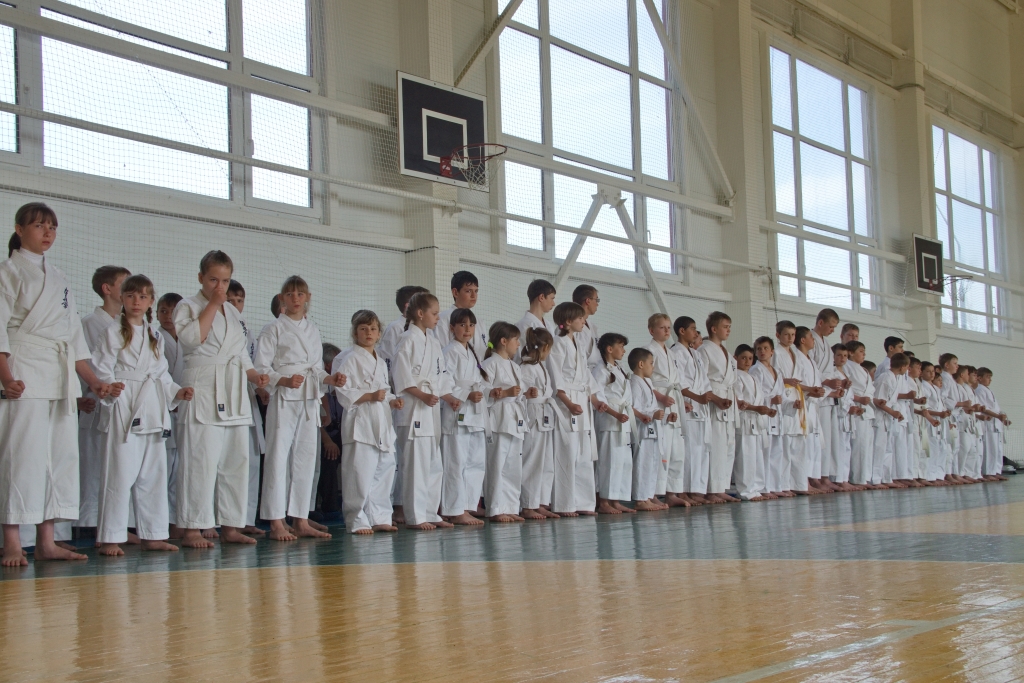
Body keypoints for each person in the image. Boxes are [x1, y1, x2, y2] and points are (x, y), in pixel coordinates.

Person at [1, 202, 121, 566]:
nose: (48, 233)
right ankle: (11, 542)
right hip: (24, 369)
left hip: (59, 374)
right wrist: (6, 378)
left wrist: (94, 382)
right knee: (20, 455)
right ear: (19, 229)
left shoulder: (59, 277)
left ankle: (47, 541)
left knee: (58, 456)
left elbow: (72, 339)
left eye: (52, 227)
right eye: (40, 226)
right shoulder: (7, 272)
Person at [172, 250, 269, 548]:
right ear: (200, 277)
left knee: (235, 462)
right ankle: (192, 528)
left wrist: (254, 377)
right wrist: (213, 305)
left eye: (225, 281)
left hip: (234, 389)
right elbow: (191, 339)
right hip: (203, 387)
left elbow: (240, 353)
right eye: (214, 280)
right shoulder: (187, 306)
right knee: (199, 462)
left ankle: (231, 525)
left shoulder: (233, 312)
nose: (220, 286)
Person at [93, 274, 193, 556]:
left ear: (150, 301)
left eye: (142, 296)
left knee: (153, 474)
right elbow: (102, 367)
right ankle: (110, 538)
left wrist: (176, 392)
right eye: (130, 296)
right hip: (124, 402)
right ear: (122, 298)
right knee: (119, 473)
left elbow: (161, 373)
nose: (136, 301)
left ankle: (153, 534)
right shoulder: (111, 332)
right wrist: (109, 386)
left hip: (151, 405)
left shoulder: (154, 335)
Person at [255, 276, 346, 541]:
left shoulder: (312, 330)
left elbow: (316, 368)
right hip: (284, 398)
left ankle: (300, 518)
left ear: (307, 298)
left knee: (305, 458)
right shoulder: (273, 329)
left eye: (300, 294)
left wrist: (331, 379)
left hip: (308, 398)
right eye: (290, 294)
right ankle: (276, 521)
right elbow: (261, 367)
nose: (295, 298)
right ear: (282, 298)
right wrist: (282, 380)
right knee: (277, 457)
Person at [392, 292, 458, 530]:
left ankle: (430, 511)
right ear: (420, 314)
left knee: (433, 462)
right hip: (413, 408)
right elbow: (401, 376)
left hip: (430, 406)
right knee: (415, 464)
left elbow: (441, 375)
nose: (438, 318)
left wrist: (448, 397)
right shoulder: (407, 339)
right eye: (434, 313)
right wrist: (422, 395)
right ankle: (415, 516)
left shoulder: (433, 341)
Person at [333, 310, 402, 534]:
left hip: (381, 421)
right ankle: (357, 519)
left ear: (379, 333)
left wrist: (392, 400)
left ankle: (380, 516)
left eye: (373, 329)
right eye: (363, 329)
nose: (369, 333)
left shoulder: (380, 362)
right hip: (360, 422)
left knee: (383, 470)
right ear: (355, 333)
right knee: (359, 472)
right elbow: (343, 392)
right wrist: (370, 396)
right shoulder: (349, 359)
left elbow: (385, 390)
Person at [77, 265, 131, 533]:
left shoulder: (129, 325)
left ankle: (116, 523)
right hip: (95, 400)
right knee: (93, 465)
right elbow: (81, 364)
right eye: (124, 284)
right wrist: (78, 398)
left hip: (124, 401)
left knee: (120, 467)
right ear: (107, 289)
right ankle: (90, 525)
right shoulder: (89, 323)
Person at [545, 302, 608, 516]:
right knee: (567, 452)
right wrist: (568, 403)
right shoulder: (557, 343)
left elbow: (586, 377)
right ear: (568, 321)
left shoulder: (578, 343)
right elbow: (555, 376)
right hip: (566, 402)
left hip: (582, 399)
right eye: (580, 318)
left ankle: (585, 503)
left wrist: (595, 400)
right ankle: (565, 504)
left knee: (584, 452)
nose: (583, 321)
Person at [378, 284, 428, 524]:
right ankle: (398, 506)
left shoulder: (426, 333)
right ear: (412, 306)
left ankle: (423, 507)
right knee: (401, 456)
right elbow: (390, 364)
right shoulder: (396, 329)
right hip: (400, 397)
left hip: (423, 400)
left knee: (423, 459)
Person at [440, 308, 489, 526]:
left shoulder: (472, 351)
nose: (467, 329)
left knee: (475, 462)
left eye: (471, 325)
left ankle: (468, 505)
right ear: (452, 328)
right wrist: (465, 394)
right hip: (457, 410)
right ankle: (454, 509)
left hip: (474, 412)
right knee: (456, 461)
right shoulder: (449, 351)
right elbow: (445, 382)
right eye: (462, 325)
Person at [226, 279, 268, 538]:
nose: (235, 305)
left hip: (247, 399)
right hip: (226, 397)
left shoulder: (247, 331)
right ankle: (220, 521)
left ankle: (246, 518)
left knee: (251, 460)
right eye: (229, 300)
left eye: (239, 300)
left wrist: (260, 388)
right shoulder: (215, 325)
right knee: (227, 462)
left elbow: (253, 365)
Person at [481, 322, 528, 523]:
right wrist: (504, 393)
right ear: (503, 341)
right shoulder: (489, 364)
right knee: (497, 464)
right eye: (515, 339)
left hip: (514, 418)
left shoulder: (514, 366)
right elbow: (483, 391)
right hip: (498, 418)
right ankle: (495, 508)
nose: (518, 344)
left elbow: (520, 392)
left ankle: (510, 506)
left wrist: (524, 394)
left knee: (513, 466)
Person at [644, 314, 687, 506]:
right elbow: (645, 380)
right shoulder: (648, 351)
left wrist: (682, 401)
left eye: (668, 327)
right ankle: (653, 493)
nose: (667, 331)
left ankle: (671, 492)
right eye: (662, 327)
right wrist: (660, 397)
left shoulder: (671, 353)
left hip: (673, 400)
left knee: (676, 450)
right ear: (651, 330)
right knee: (661, 450)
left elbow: (676, 381)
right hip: (659, 401)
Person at [697, 312, 739, 503]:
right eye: (725, 326)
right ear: (714, 329)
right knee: (715, 445)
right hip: (714, 400)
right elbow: (701, 379)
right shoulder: (704, 349)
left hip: (728, 398)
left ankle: (721, 487)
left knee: (728, 445)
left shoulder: (726, 353)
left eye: (730, 327)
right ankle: (711, 489)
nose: (728, 330)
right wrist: (715, 398)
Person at [518, 327, 559, 519]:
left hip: (545, 414)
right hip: (533, 416)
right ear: (545, 347)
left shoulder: (540, 366)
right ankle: (528, 504)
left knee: (546, 462)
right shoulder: (525, 367)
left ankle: (541, 502)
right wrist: (528, 393)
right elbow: (520, 393)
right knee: (532, 461)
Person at [592, 332, 634, 514]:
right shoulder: (600, 370)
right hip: (609, 420)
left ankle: (615, 500)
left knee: (623, 462)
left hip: (622, 418)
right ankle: (604, 501)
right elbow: (599, 397)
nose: (624, 350)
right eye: (621, 346)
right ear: (610, 349)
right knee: (608, 461)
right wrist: (615, 414)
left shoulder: (619, 368)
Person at [670, 316, 711, 505]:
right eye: (693, 329)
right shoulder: (676, 352)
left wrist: (709, 397)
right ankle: (684, 490)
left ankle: (696, 489)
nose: (696, 332)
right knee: (687, 450)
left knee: (700, 449)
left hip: (700, 405)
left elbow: (704, 381)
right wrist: (696, 398)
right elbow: (679, 382)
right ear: (682, 331)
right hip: (687, 405)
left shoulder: (695, 354)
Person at [157, 292, 186, 536]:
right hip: (162, 407)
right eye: (163, 311)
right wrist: (170, 398)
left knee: (180, 468)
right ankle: (160, 522)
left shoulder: (188, 340)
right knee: (163, 467)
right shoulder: (154, 338)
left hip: (184, 406)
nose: (167, 316)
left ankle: (176, 519)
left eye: (172, 312)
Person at [629, 347, 668, 511]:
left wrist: (665, 416)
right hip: (642, 430)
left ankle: (649, 495)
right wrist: (652, 415)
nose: (653, 367)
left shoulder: (648, 382)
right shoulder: (634, 382)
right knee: (642, 463)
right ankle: (640, 499)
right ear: (641, 364)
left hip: (653, 429)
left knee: (652, 464)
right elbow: (634, 407)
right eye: (651, 363)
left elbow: (652, 406)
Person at [773, 321, 809, 495]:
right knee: (786, 445)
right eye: (786, 334)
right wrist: (785, 381)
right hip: (785, 395)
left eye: (793, 335)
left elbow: (801, 376)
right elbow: (771, 377)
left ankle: (799, 484)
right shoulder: (776, 353)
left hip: (797, 395)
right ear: (778, 335)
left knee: (799, 444)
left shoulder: (795, 353)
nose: (790, 338)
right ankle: (784, 485)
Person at [809, 309, 842, 491]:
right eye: (831, 326)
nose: (832, 330)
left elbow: (830, 370)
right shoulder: (810, 340)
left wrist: (838, 382)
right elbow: (810, 368)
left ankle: (824, 475)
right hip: (816, 395)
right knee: (816, 439)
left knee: (827, 439)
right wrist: (827, 382)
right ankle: (814, 476)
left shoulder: (826, 344)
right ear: (820, 323)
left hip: (826, 396)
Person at [750, 337, 787, 498]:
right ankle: (764, 488)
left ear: (772, 351)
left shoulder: (778, 371)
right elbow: (755, 395)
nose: (762, 351)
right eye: (759, 349)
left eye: (765, 348)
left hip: (777, 416)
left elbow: (783, 395)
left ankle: (775, 485)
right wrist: (770, 400)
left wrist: (791, 403)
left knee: (777, 453)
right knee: (765, 453)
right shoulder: (755, 370)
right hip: (764, 415)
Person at [732, 344, 767, 501]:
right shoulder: (736, 376)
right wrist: (756, 408)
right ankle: (745, 490)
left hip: (756, 420)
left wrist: (762, 409)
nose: (747, 361)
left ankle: (756, 487)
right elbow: (739, 401)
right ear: (736, 358)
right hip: (745, 419)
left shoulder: (753, 377)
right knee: (745, 456)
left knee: (756, 456)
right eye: (743, 358)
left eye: (750, 358)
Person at [872, 352, 909, 488]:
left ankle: (886, 477)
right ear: (903, 367)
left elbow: (891, 400)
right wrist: (893, 412)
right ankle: (875, 479)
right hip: (880, 417)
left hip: (888, 418)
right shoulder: (885, 378)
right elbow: (878, 401)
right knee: (878, 448)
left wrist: (896, 412)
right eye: (907, 367)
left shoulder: (894, 378)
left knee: (887, 449)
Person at [434, 271, 487, 360]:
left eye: (476, 291)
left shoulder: (480, 321)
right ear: (455, 292)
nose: (474, 296)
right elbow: (441, 352)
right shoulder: (443, 319)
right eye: (468, 291)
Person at [828, 344, 859, 490]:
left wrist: (853, 407)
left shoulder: (845, 373)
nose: (842, 358)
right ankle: (838, 478)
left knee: (846, 447)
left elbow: (849, 396)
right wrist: (847, 408)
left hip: (847, 415)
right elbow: (837, 395)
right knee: (838, 446)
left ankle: (844, 477)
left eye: (845, 356)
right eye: (839, 355)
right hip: (838, 413)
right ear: (833, 356)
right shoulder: (832, 373)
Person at [976, 367, 1009, 481]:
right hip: (988, 423)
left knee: (997, 449)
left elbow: (996, 408)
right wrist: (997, 416)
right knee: (989, 448)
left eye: (990, 377)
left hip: (996, 422)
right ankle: (988, 472)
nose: (990, 379)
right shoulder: (979, 390)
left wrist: (1003, 419)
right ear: (979, 378)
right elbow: (983, 408)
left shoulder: (989, 390)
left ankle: (996, 471)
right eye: (987, 377)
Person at [515, 279, 558, 351]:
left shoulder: (548, 324)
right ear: (541, 297)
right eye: (552, 298)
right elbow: (520, 354)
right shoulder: (523, 325)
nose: (553, 303)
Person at [572, 285, 603, 372]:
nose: (597, 304)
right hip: (579, 371)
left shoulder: (592, 326)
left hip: (594, 372)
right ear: (588, 301)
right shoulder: (571, 325)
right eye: (596, 300)